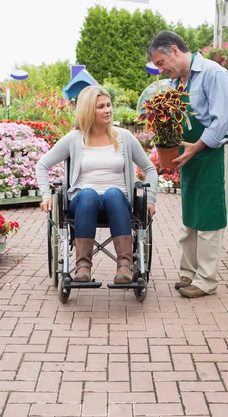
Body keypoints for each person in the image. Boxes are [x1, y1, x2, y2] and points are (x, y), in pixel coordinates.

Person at [36, 86, 157, 284]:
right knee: (89, 194)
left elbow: (150, 169)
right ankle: (83, 266)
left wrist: (150, 199)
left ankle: (125, 266)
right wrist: (46, 196)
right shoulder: (74, 138)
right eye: (100, 107)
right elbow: (42, 165)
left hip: (117, 205)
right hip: (83, 205)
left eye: (108, 105)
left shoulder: (124, 137)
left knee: (113, 193)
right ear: (88, 111)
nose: (107, 110)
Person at [147, 31, 228, 298]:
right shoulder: (177, 83)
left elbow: (221, 123)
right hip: (190, 155)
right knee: (191, 217)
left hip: (213, 154)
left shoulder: (213, 74)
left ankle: (206, 280)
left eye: (161, 63)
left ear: (174, 50)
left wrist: (197, 146)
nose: (161, 70)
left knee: (209, 217)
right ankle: (189, 272)